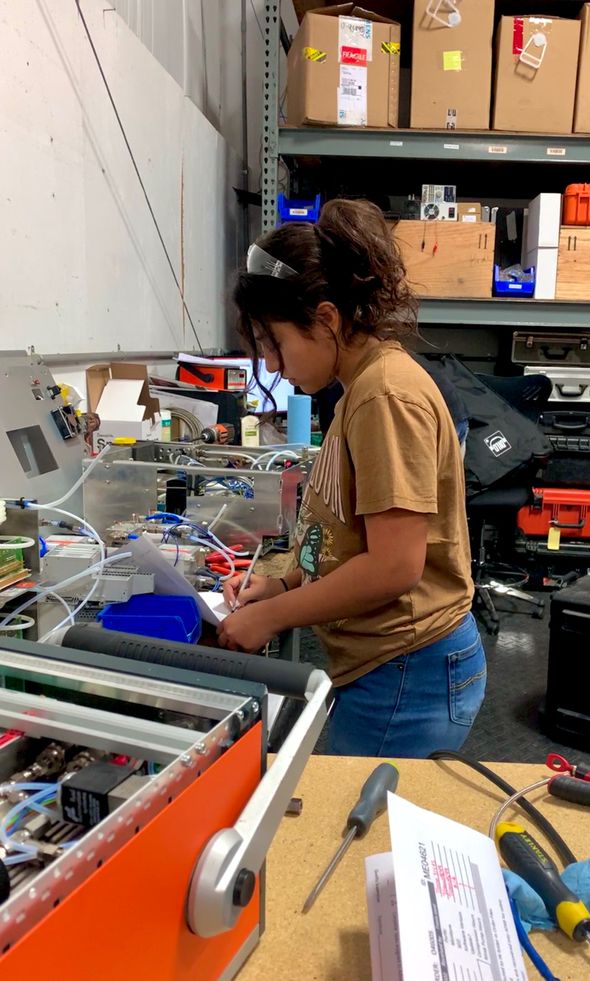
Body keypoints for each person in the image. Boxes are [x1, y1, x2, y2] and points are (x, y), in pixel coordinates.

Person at [217, 199, 486, 758]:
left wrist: (269, 617)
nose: (270, 363)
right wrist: (285, 584)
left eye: (274, 341)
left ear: (327, 319)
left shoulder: (385, 396)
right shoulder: (357, 390)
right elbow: (347, 539)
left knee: (353, 834)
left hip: (408, 670)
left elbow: (394, 565)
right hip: (389, 663)